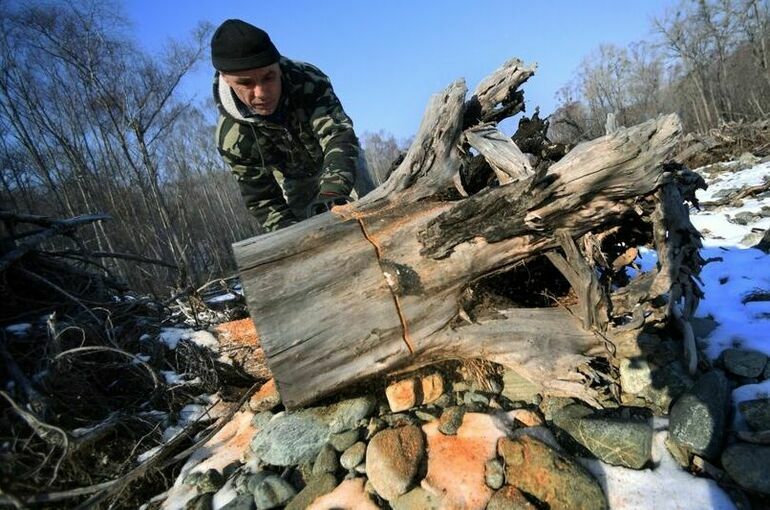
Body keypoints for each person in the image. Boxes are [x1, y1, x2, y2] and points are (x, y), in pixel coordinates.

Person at [211, 19, 373, 232]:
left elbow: (338, 134)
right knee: (306, 235)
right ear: (225, 77)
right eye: (246, 83)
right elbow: (263, 199)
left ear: (277, 65)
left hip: (339, 156)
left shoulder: (308, 79)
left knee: (372, 208)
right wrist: (293, 237)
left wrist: (332, 193)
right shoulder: (232, 138)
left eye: (269, 77)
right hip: (294, 180)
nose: (261, 93)